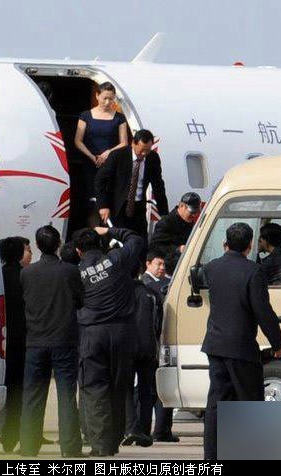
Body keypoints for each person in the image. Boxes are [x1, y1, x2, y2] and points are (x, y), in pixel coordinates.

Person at [202, 222, 281, 460]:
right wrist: (278, 343)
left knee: (217, 403)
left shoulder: (211, 268)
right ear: (250, 245)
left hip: (215, 345)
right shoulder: (253, 271)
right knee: (249, 403)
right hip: (241, 348)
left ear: (225, 243)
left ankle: (212, 457)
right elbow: (262, 311)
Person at [75, 226, 143, 457]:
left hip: (92, 334)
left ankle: (101, 445)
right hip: (123, 333)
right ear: (100, 244)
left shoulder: (77, 271)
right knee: (118, 386)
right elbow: (136, 238)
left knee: (94, 389)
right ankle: (113, 442)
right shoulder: (116, 259)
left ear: (78, 251)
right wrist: (111, 231)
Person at [19, 226, 84, 458]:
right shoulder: (70, 271)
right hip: (64, 340)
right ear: (58, 244)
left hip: (35, 340)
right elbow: (80, 300)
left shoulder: (27, 273)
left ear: (37, 246)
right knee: (66, 396)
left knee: (32, 397)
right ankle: (70, 447)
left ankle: (28, 446)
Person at [95, 129, 169, 244]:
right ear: (133, 144)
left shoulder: (153, 158)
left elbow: (158, 185)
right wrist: (103, 205)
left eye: (148, 150)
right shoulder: (118, 156)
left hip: (138, 207)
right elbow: (100, 180)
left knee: (140, 242)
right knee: (116, 243)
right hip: (117, 207)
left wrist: (164, 213)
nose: (144, 154)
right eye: (141, 150)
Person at [123, 262, 162, 447]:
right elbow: (158, 323)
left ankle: (130, 428)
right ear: (140, 271)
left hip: (127, 347)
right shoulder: (151, 293)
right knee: (147, 390)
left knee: (126, 388)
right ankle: (145, 431)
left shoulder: (121, 293)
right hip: (148, 347)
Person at [74, 82, 128, 215]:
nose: (108, 102)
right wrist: (92, 156)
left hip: (110, 164)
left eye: (111, 99)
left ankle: (106, 225)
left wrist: (108, 153)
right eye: (105, 98)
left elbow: (124, 143)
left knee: (108, 198)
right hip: (89, 162)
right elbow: (78, 141)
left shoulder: (119, 118)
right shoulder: (86, 115)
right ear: (97, 95)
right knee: (91, 199)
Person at [0, 237, 27, 453]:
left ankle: (3, 432)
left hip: (1, 338)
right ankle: (15, 433)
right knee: (19, 390)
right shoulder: (25, 276)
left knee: (4, 387)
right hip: (23, 339)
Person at [151, 249, 181, 443]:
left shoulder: (155, 286)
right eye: (158, 264)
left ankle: (158, 429)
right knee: (163, 386)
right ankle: (161, 429)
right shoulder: (167, 287)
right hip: (164, 343)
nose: (161, 268)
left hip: (156, 342)